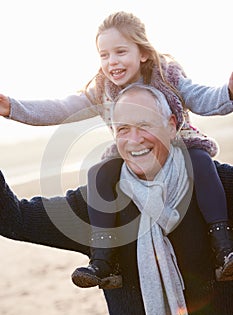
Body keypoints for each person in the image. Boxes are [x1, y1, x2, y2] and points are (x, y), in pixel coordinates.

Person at [0, 11, 233, 286]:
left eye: (121, 51)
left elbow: (202, 97)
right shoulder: (102, 89)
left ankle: (223, 246)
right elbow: (61, 108)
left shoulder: (167, 75)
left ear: (143, 53)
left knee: (201, 162)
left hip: (181, 146)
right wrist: (12, 107)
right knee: (99, 174)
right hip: (130, 157)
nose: (112, 62)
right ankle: (103, 261)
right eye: (104, 55)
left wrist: (228, 93)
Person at [0, 84, 233, 315]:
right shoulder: (100, 203)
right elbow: (13, 219)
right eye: (123, 129)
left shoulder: (218, 186)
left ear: (171, 125)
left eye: (144, 124)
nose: (134, 139)